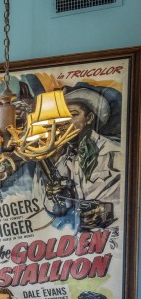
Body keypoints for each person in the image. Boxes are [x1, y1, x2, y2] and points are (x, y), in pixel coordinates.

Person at [43, 88, 122, 230]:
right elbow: (57, 211)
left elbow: (130, 196)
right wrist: (54, 197)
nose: (65, 122)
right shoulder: (64, 159)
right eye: (62, 117)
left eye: (73, 114)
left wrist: (108, 209)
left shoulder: (114, 152)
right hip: (80, 242)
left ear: (89, 118)